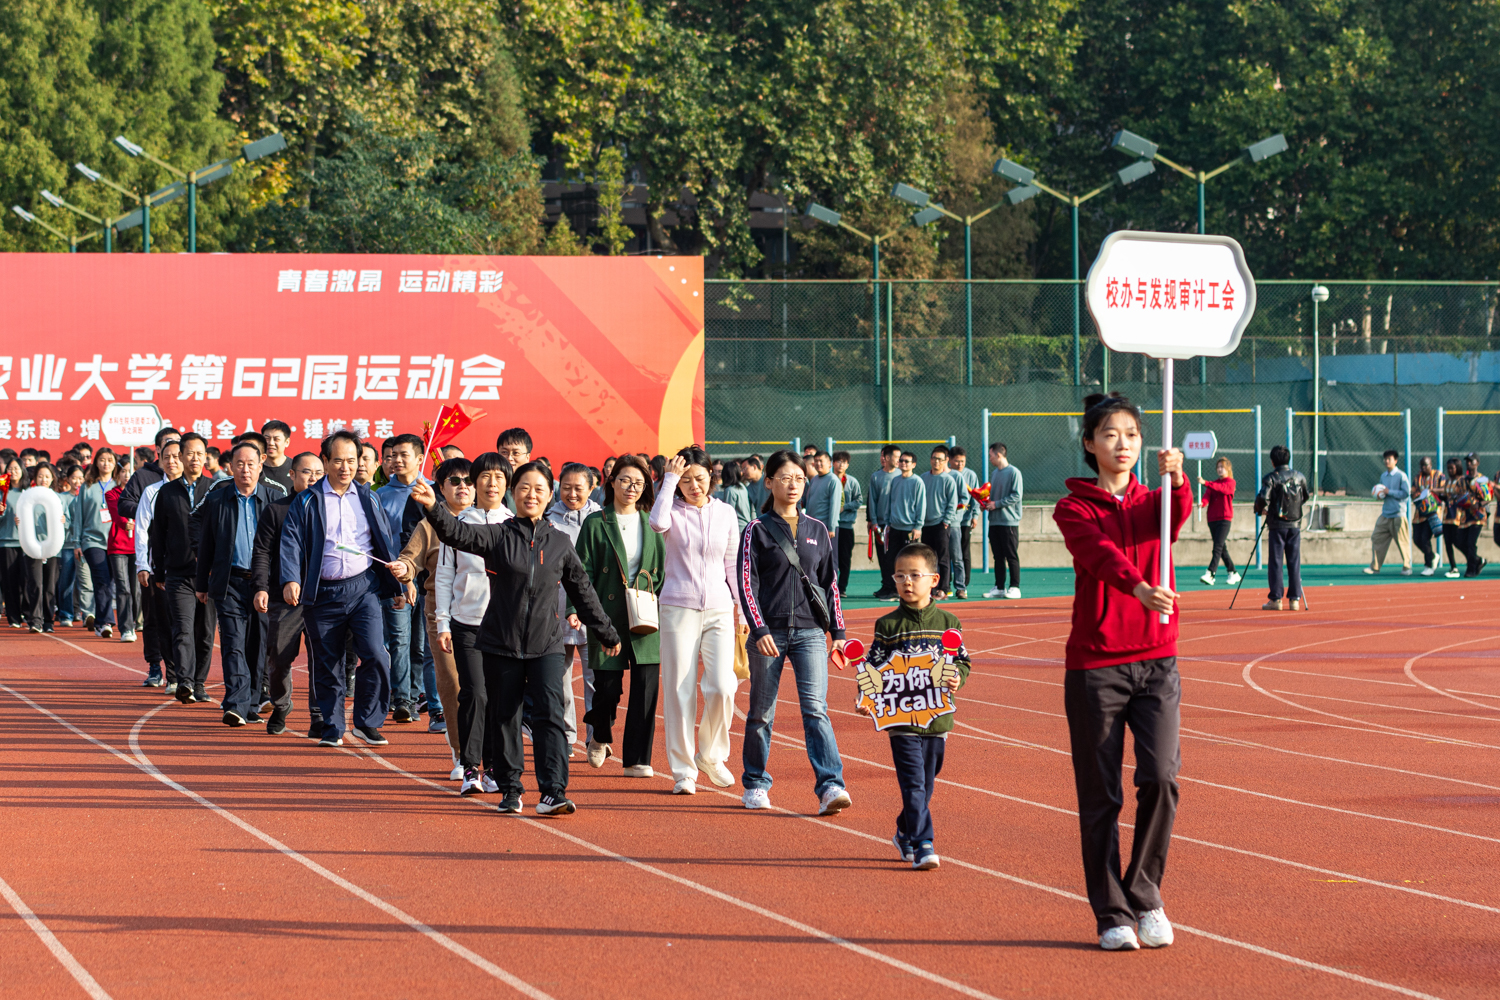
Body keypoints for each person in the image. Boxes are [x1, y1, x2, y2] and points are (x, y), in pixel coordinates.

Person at [1052, 391, 1190, 952]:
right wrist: (1137, 586)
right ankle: (1112, 913)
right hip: (1096, 667)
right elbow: (1098, 555)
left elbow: (1177, 516)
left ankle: (1146, 893)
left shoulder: (1153, 502)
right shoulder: (1074, 508)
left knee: (1161, 779)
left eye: (1132, 434)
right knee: (1101, 796)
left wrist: (1179, 482)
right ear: (1090, 444)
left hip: (1157, 660)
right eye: (1111, 434)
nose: (1124, 444)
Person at [412, 462, 621, 816]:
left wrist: (605, 630)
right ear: (515, 492)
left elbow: (583, 590)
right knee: (505, 715)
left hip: (546, 645)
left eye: (539, 489)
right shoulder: (497, 534)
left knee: (550, 716)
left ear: (549, 495)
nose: (531, 495)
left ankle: (553, 791)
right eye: (524, 488)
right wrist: (433, 506)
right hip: (500, 643)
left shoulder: (559, 543)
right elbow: (456, 533)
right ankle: (510, 788)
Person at [738, 450, 851, 815]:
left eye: (799, 479)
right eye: (785, 478)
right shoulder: (756, 530)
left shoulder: (818, 530)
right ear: (768, 482)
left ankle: (831, 786)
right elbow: (746, 583)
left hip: (810, 633)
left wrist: (838, 631)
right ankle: (755, 783)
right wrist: (758, 629)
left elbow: (829, 583)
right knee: (761, 712)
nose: (793, 485)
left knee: (816, 709)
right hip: (768, 634)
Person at [281, 430, 403, 748]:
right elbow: (291, 540)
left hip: (364, 590)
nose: (345, 467)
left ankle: (366, 722)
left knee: (376, 654)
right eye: (338, 460)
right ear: (325, 461)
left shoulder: (368, 497)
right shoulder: (307, 500)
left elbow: (388, 541)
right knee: (327, 662)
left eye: (352, 460)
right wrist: (291, 578)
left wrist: (403, 581)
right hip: (322, 593)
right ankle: (333, 726)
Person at [862, 542, 969, 871]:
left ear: (934, 579)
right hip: (901, 720)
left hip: (937, 720)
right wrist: (866, 695)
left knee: (927, 780)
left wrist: (956, 678)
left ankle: (905, 829)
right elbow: (874, 667)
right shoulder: (888, 625)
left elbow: (962, 662)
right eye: (899, 576)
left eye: (914, 575)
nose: (907, 582)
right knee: (913, 782)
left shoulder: (948, 622)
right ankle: (924, 843)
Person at [645, 448, 742, 794]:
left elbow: (733, 566)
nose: (694, 486)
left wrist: (742, 610)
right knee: (679, 689)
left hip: (719, 608)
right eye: (686, 480)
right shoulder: (670, 510)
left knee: (722, 686)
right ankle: (684, 770)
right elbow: (656, 524)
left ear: (711, 478)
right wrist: (669, 480)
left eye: (699, 478)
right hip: (677, 607)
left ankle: (711, 755)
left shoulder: (726, 513)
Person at [571, 455, 667, 779]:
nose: (631, 487)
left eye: (638, 483)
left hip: (644, 617)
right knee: (608, 689)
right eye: (625, 480)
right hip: (607, 616)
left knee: (645, 688)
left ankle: (637, 759)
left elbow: (661, 572)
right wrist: (576, 610)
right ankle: (599, 731)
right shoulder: (596, 523)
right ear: (611, 481)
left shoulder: (652, 525)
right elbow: (580, 572)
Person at [432, 453, 511, 790]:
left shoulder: (516, 522)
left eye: (499, 477)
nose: (491, 484)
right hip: (467, 624)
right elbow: (445, 576)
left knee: (499, 697)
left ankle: (493, 767)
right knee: (474, 693)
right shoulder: (459, 524)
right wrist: (443, 622)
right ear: (474, 482)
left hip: (506, 627)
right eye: (484, 477)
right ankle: (469, 767)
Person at [194, 441, 278, 726]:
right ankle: (236, 704)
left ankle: (253, 702)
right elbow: (206, 544)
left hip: (263, 584)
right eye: (239, 464)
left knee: (257, 644)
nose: (245, 469)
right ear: (230, 467)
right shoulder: (217, 499)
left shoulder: (273, 499)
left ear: (261, 463)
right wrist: (201, 583)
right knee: (233, 642)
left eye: (251, 464)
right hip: (229, 581)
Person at [252, 451, 324, 735]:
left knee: (323, 657)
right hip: (286, 598)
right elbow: (262, 553)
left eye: (319, 472)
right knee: (279, 654)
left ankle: (318, 715)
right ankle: (281, 703)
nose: (313, 478)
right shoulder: (277, 510)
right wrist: (260, 587)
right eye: (307, 472)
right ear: (292, 475)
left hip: (322, 597)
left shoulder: (332, 510)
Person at [149, 434, 219, 704]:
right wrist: (159, 570)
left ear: (205, 457)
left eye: (199, 454)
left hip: (209, 574)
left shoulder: (216, 490)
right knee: (182, 628)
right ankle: (185, 681)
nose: (194, 458)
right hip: (178, 572)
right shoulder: (167, 492)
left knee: (205, 631)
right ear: (180, 456)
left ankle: (200, 683)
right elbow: (159, 534)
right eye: (188, 453)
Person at [546, 462, 601, 753]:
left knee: (595, 677)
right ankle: (567, 735)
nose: (572, 493)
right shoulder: (548, 519)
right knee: (561, 675)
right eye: (566, 487)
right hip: (556, 608)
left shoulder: (602, 518)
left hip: (592, 609)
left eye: (579, 488)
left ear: (591, 488)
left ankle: (594, 736)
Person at [377, 432, 428, 724]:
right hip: (395, 578)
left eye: (403, 455)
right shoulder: (381, 496)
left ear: (420, 458)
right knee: (398, 639)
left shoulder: (432, 491)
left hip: (429, 579)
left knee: (421, 643)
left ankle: (417, 691)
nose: (396, 460)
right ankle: (402, 699)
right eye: (392, 455)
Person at [1255, 444, 1309, 611]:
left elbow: (1263, 497)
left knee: (1276, 561)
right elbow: (1305, 496)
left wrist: (1260, 510)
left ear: (1272, 462)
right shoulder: (1299, 477)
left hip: (1277, 525)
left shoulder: (1271, 478)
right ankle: (1294, 600)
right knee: (1294, 561)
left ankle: (1276, 599)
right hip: (1295, 524)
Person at [21, 463, 64, 632]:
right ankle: (36, 620)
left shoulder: (57, 498)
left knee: (49, 587)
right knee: (36, 584)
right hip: (32, 546)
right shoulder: (27, 497)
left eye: (47, 476)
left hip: (53, 547)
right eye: (40, 476)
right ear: (34, 478)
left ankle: (48, 621)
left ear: (52, 478)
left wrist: (64, 521)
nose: (43, 479)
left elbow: (66, 519)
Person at [78, 448, 117, 633]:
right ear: (96, 463)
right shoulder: (87, 486)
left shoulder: (119, 485)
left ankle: (101, 621)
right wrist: (77, 542)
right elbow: (79, 515)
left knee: (109, 582)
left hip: (115, 541)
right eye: (102, 460)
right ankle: (106, 622)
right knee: (101, 579)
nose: (106, 463)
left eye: (110, 460)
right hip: (92, 540)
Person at [104, 464, 139, 649]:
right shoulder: (112, 493)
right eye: (124, 471)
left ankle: (137, 621)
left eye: (130, 472)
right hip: (118, 546)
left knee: (136, 588)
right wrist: (126, 523)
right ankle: (126, 628)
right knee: (123, 587)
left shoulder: (141, 493)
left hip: (137, 546)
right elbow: (116, 513)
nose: (127, 475)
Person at [983, 442, 1024, 599]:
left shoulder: (1014, 472)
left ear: (998, 455)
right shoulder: (995, 474)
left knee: (1010, 554)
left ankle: (1015, 587)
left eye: (991, 455)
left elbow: (1016, 495)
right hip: (994, 521)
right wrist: (985, 504)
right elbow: (992, 496)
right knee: (998, 556)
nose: (990, 458)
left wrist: (997, 504)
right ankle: (999, 587)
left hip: (1009, 522)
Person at [919, 445, 959, 599]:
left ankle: (944, 588)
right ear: (930, 459)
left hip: (941, 524)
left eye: (940, 459)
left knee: (943, 557)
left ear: (945, 461)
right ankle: (929, 588)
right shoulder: (923, 478)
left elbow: (952, 503)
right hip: (926, 524)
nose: (936, 462)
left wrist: (946, 521)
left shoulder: (948, 480)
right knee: (928, 558)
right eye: (934, 458)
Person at [1364, 449, 1412, 576]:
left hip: (1398, 515)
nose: (1386, 461)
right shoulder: (1383, 476)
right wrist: (1380, 495)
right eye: (1385, 459)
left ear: (1395, 461)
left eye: (1389, 459)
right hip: (1385, 514)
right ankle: (1375, 567)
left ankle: (1407, 567)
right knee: (1376, 538)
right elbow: (1383, 492)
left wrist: (1389, 492)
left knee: (1402, 542)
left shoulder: (1401, 476)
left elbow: (1406, 493)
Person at [1197, 458, 1241, 587]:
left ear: (1228, 469)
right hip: (1212, 519)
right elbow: (1207, 495)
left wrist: (1205, 482)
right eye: (1218, 467)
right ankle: (1233, 572)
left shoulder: (1231, 483)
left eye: (1222, 467)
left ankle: (1211, 573)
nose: (1219, 469)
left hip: (1224, 519)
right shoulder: (1213, 483)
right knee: (1221, 548)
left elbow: (1223, 489)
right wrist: (1203, 503)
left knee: (1217, 548)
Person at [868, 445, 900, 599]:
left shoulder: (901, 475)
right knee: (882, 556)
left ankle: (894, 587)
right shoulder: (876, 477)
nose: (899, 460)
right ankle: (886, 585)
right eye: (896, 457)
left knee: (894, 557)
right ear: (887, 458)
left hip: (895, 524)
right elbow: (872, 501)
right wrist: (873, 521)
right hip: (880, 524)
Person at [950, 446, 979, 599]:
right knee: (947, 553)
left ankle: (963, 584)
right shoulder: (947, 474)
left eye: (962, 461)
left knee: (963, 553)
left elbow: (975, 496)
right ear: (950, 460)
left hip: (964, 520)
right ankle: (945, 584)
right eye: (957, 461)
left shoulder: (970, 475)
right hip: (950, 520)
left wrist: (975, 515)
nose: (960, 464)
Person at [832, 451, 863, 594]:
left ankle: (842, 587)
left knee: (845, 558)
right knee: (831, 558)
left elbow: (859, 500)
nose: (840, 464)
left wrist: (844, 507)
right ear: (833, 463)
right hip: (832, 525)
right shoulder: (829, 480)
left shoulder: (852, 481)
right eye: (838, 461)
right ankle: (830, 586)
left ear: (847, 465)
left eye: (844, 462)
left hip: (846, 525)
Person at [1411, 457, 1445, 576]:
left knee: (1425, 538)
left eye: (1425, 465)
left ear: (1431, 465)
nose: (1423, 468)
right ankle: (1432, 556)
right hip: (1420, 512)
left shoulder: (1439, 475)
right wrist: (1415, 495)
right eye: (1421, 466)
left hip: (1432, 512)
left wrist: (1432, 490)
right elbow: (1413, 492)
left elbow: (1445, 490)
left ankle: (1429, 565)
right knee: (1416, 539)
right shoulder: (1417, 478)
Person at [0, 457, 23, 628]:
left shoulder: (29, 491)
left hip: (27, 542)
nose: (13, 471)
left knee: (27, 580)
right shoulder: (2, 492)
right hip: (7, 542)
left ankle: (28, 614)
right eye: (10, 468)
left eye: (16, 468)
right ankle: (14, 617)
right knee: (10, 582)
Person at [803, 450, 843, 539]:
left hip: (826, 528)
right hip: (813, 526)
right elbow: (809, 503)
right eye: (816, 461)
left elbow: (835, 506)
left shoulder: (833, 480)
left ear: (829, 463)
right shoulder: (814, 480)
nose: (818, 463)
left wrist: (831, 528)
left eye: (821, 461)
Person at [259, 420, 295, 494]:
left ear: (287, 442)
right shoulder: (256, 468)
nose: (271, 443)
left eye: (276, 439)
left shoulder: (295, 467)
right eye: (267, 439)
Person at [720, 460, 754, 532]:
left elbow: (728, 512)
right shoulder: (742, 486)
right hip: (747, 525)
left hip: (737, 528)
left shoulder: (730, 490)